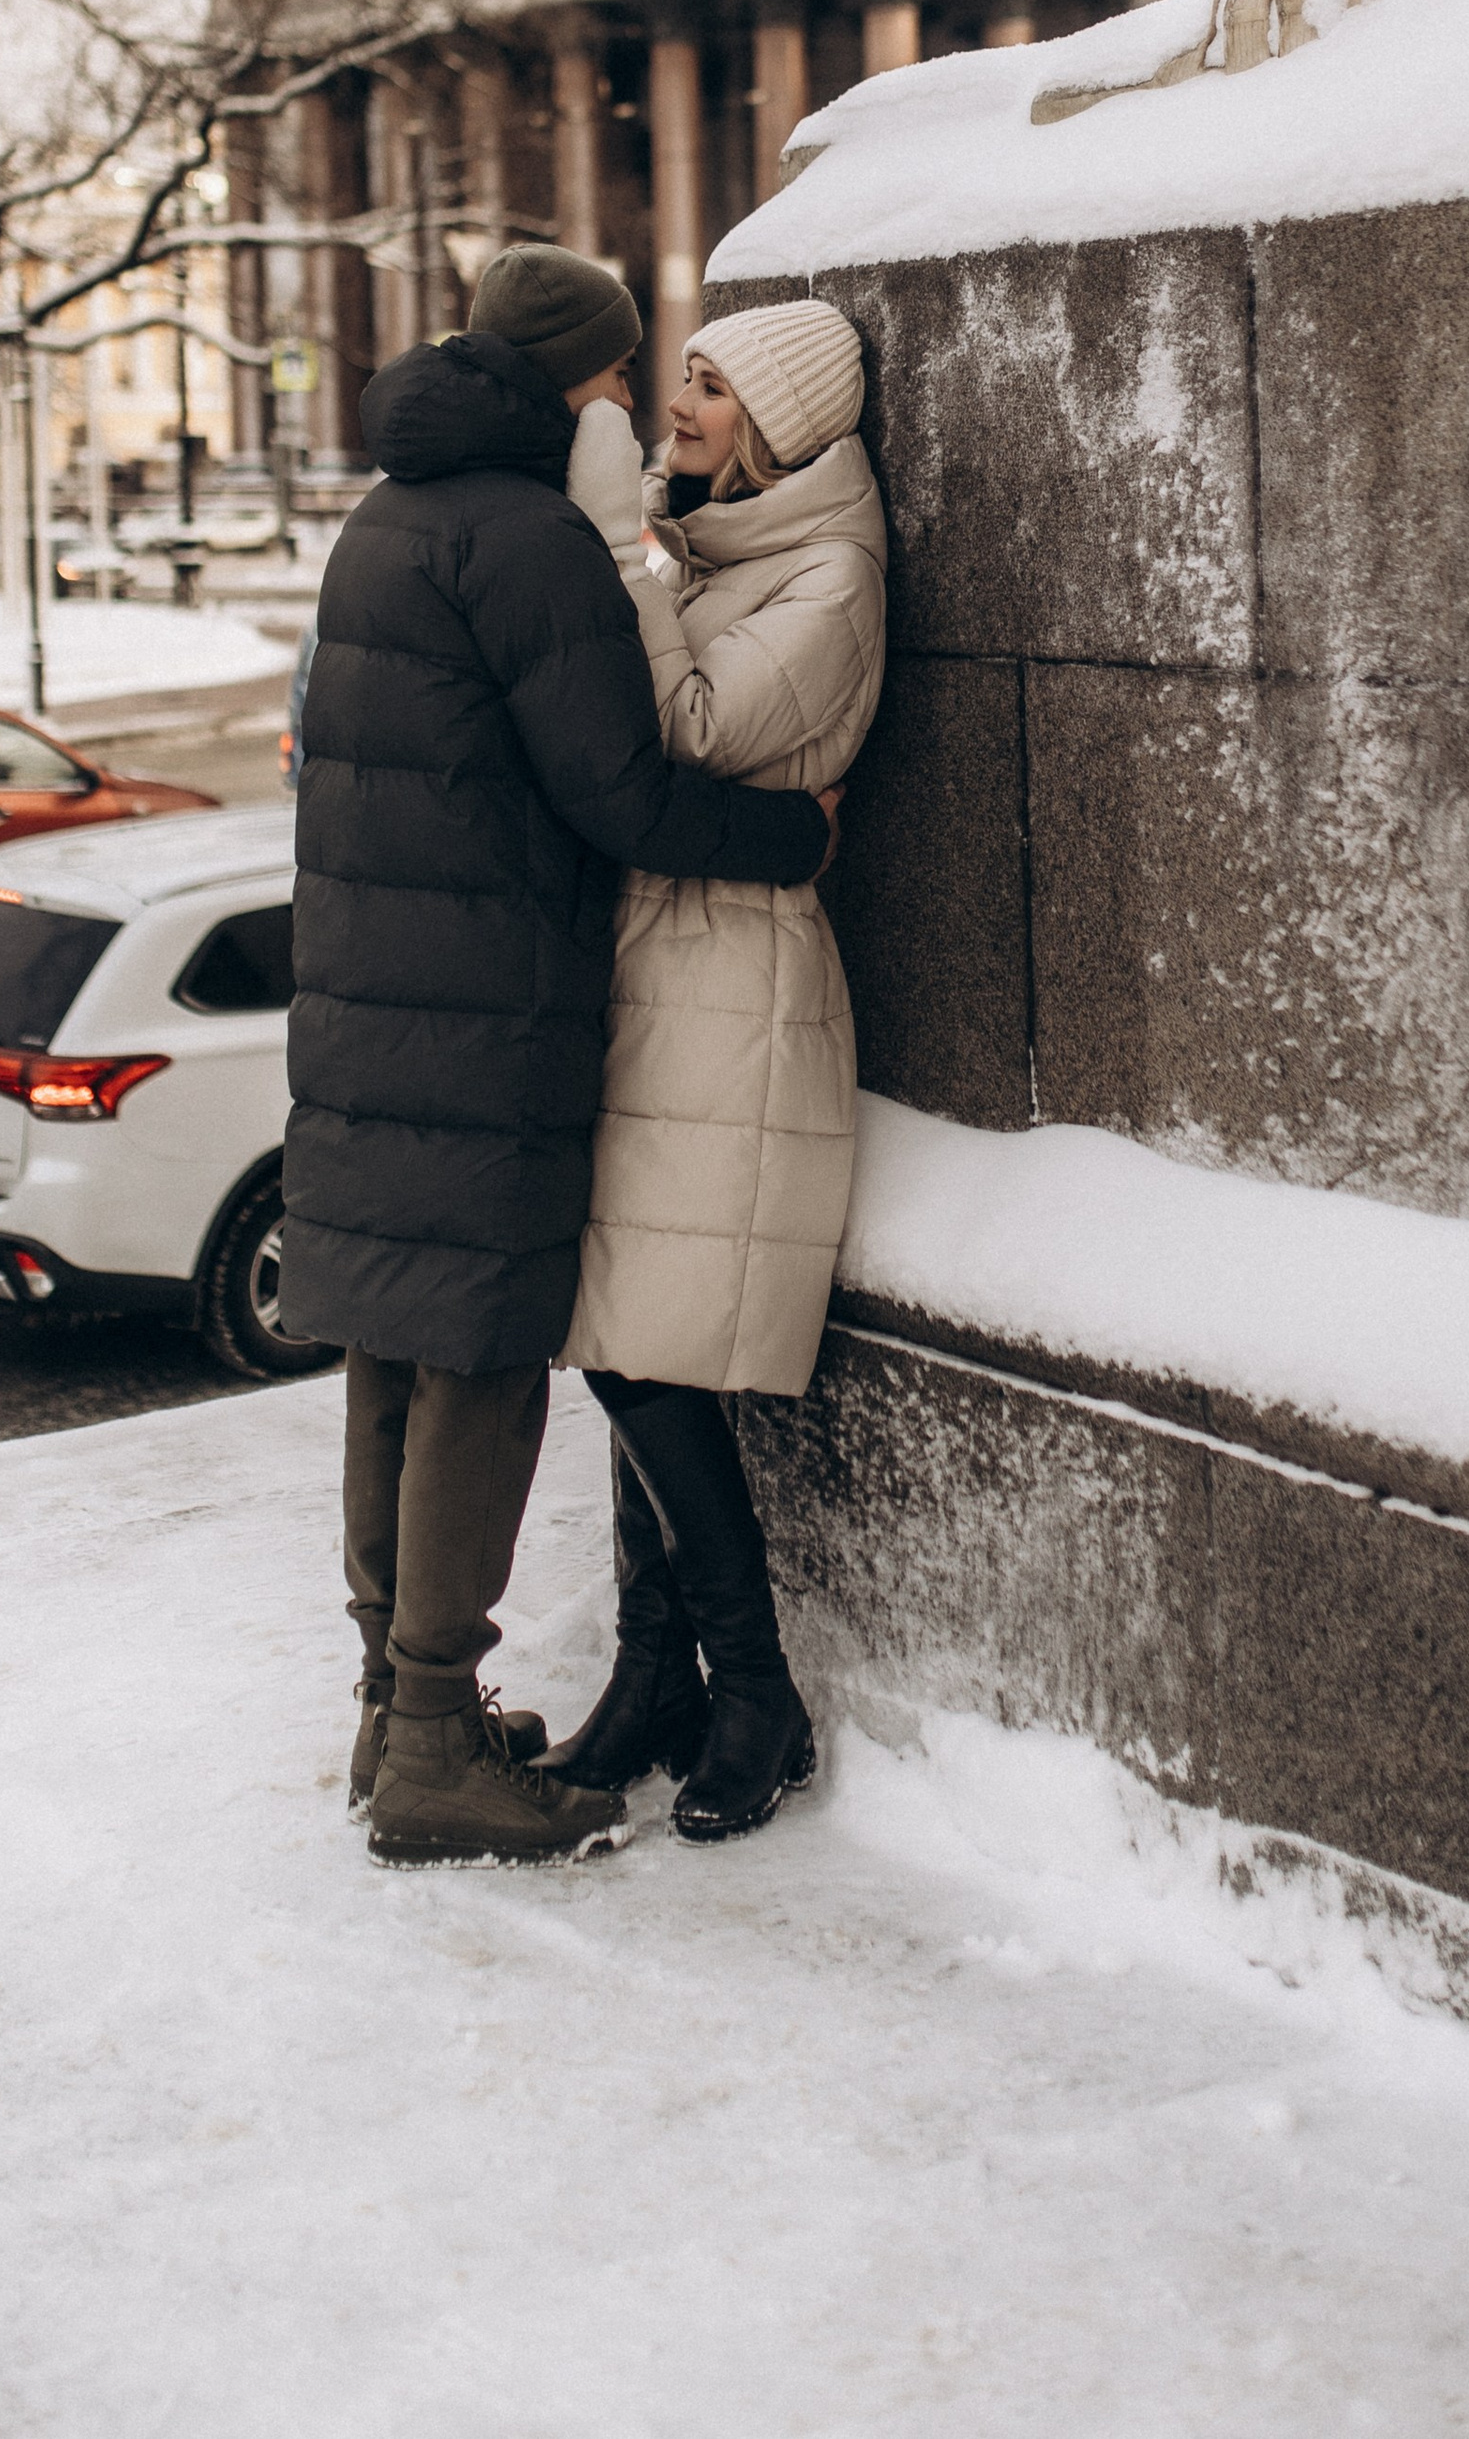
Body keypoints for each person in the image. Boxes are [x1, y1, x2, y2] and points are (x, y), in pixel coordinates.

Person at [277, 244, 839, 1873]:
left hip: (371, 1001)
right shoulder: (526, 539)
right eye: (617, 382)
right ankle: (442, 1747)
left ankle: (395, 1706)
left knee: (389, 1345)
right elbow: (618, 788)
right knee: (477, 1358)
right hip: (490, 1004)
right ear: (576, 385)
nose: (631, 410)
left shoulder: (388, 516)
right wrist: (787, 834)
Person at [543, 299, 887, 1843]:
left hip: (737, 981)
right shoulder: (724, 554)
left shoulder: (831, 578)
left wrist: (628, 547)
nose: (679, 402)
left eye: (710, 383)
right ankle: (655, 1674)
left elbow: (682, 721)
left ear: (782, 419)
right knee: (631, 1329)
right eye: (680, 373)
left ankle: (756, 1688)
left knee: (637, 1348)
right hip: (669, 969)